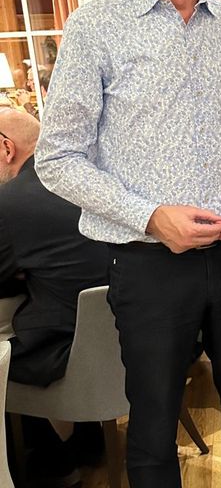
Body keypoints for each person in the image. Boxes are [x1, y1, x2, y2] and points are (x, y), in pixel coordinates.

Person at [35, 0, 221, 488]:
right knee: (152, 427)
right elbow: (57, 157)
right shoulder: (95, 28)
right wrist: (149, 216)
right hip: (146, 264)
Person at [0, 108, 108, 487]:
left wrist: (20, 269)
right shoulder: (88, 177)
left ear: (6, 148)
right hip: (130, 347)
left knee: (2, 357)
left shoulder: (11, 202)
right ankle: (88, 441)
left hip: (70, 354)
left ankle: (51, 463)